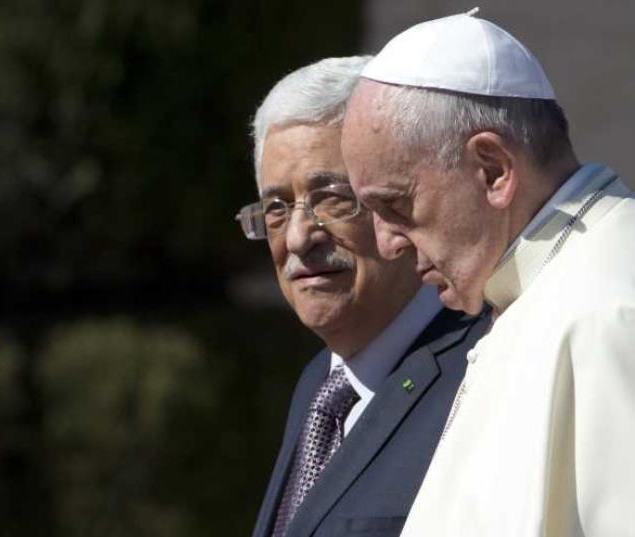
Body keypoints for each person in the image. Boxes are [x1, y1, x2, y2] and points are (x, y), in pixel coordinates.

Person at [342, 12, 635, 537]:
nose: (385, 244)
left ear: (493, 170)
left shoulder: (608, 312)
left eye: (395, 204)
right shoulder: (530, 292)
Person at [237, 56, 489, 537]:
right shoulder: (322, 385)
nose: (296, 237)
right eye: (275, 208)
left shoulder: (481, 375)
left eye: (331, 197)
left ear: (394, 200)